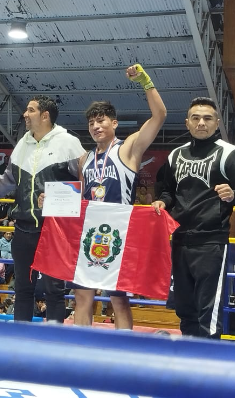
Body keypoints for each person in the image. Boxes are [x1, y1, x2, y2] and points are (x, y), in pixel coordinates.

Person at [66, 64, 166, 330]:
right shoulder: (84, 160)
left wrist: (145, 80)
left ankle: (124, 351)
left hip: (119, 233)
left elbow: (159, 115)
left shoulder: (129, 147)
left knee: (119, 300)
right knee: (82, 297)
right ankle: (82, 350)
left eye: (101, 121)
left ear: (114, 123)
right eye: (91, 123)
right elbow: (81, 197)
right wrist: (50, 201)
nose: (96, 126)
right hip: (89, 233)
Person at [151, 97, 235, 338]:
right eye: (196, 118)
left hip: (211, 242)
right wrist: (162, 201)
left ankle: (207, 365)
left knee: (208, 310)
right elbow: (167, 190)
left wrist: (233, 194)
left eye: (207, 118)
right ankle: (189, 360)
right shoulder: (175, 155)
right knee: (185, 308)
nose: (201, 123)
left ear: (217, 123)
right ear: (187, 123)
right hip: (179, 240)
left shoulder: (229, 153)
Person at [0, 95, 85, 323]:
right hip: (22, 229)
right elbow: (6, 182)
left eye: (30, 110)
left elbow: (85, 184)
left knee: (54, 291)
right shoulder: (22, 144)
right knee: (22, 289)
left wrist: (57, 198)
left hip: (54, 230)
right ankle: (20, 342)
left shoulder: (68, 142)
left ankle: (53, 342)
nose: (25, 114)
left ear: (45, 116)